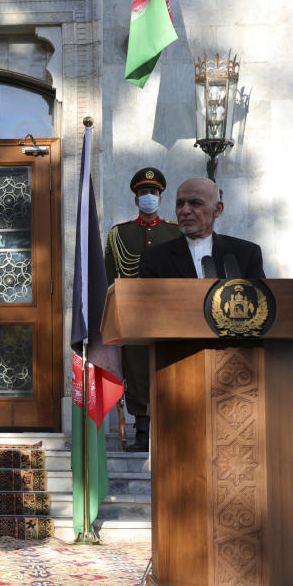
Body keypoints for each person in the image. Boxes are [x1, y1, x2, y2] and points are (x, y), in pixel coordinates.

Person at [104, 167, 182, 452]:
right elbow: (111, 278)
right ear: (136, 199)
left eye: (153, 192)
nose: (148, 197)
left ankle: (171, 432)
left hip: (169, 314)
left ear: (160, 197)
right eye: (143, 193)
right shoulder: (119, 234)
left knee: (170, 370)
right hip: (134, 315)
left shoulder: (175, 232)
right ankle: (142, 434)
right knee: (136, 371)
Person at [140, 176, 265, 279]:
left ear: (218, 209)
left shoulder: (246, 253)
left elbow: (262, 301)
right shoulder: (155, 257)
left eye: (195, 203)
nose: (185, 210)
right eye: (180, 204)